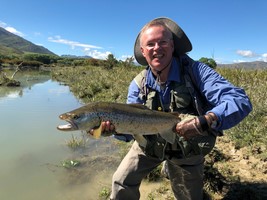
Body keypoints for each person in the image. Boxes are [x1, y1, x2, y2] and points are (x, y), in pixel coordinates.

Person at [94, 17, 252, 200]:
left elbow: (239, 100)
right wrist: (113, 130)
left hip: (187, 149)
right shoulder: (138, 83)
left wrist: (205, 120)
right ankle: (165, 164)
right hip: (149, 146)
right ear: (143, 52)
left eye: (162, 42)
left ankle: (172, 166)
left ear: (172, 45)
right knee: (121, 181)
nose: (157, 48)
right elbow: (129, 133)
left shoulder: (197, 71)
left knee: (188, 197)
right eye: (150, 44)